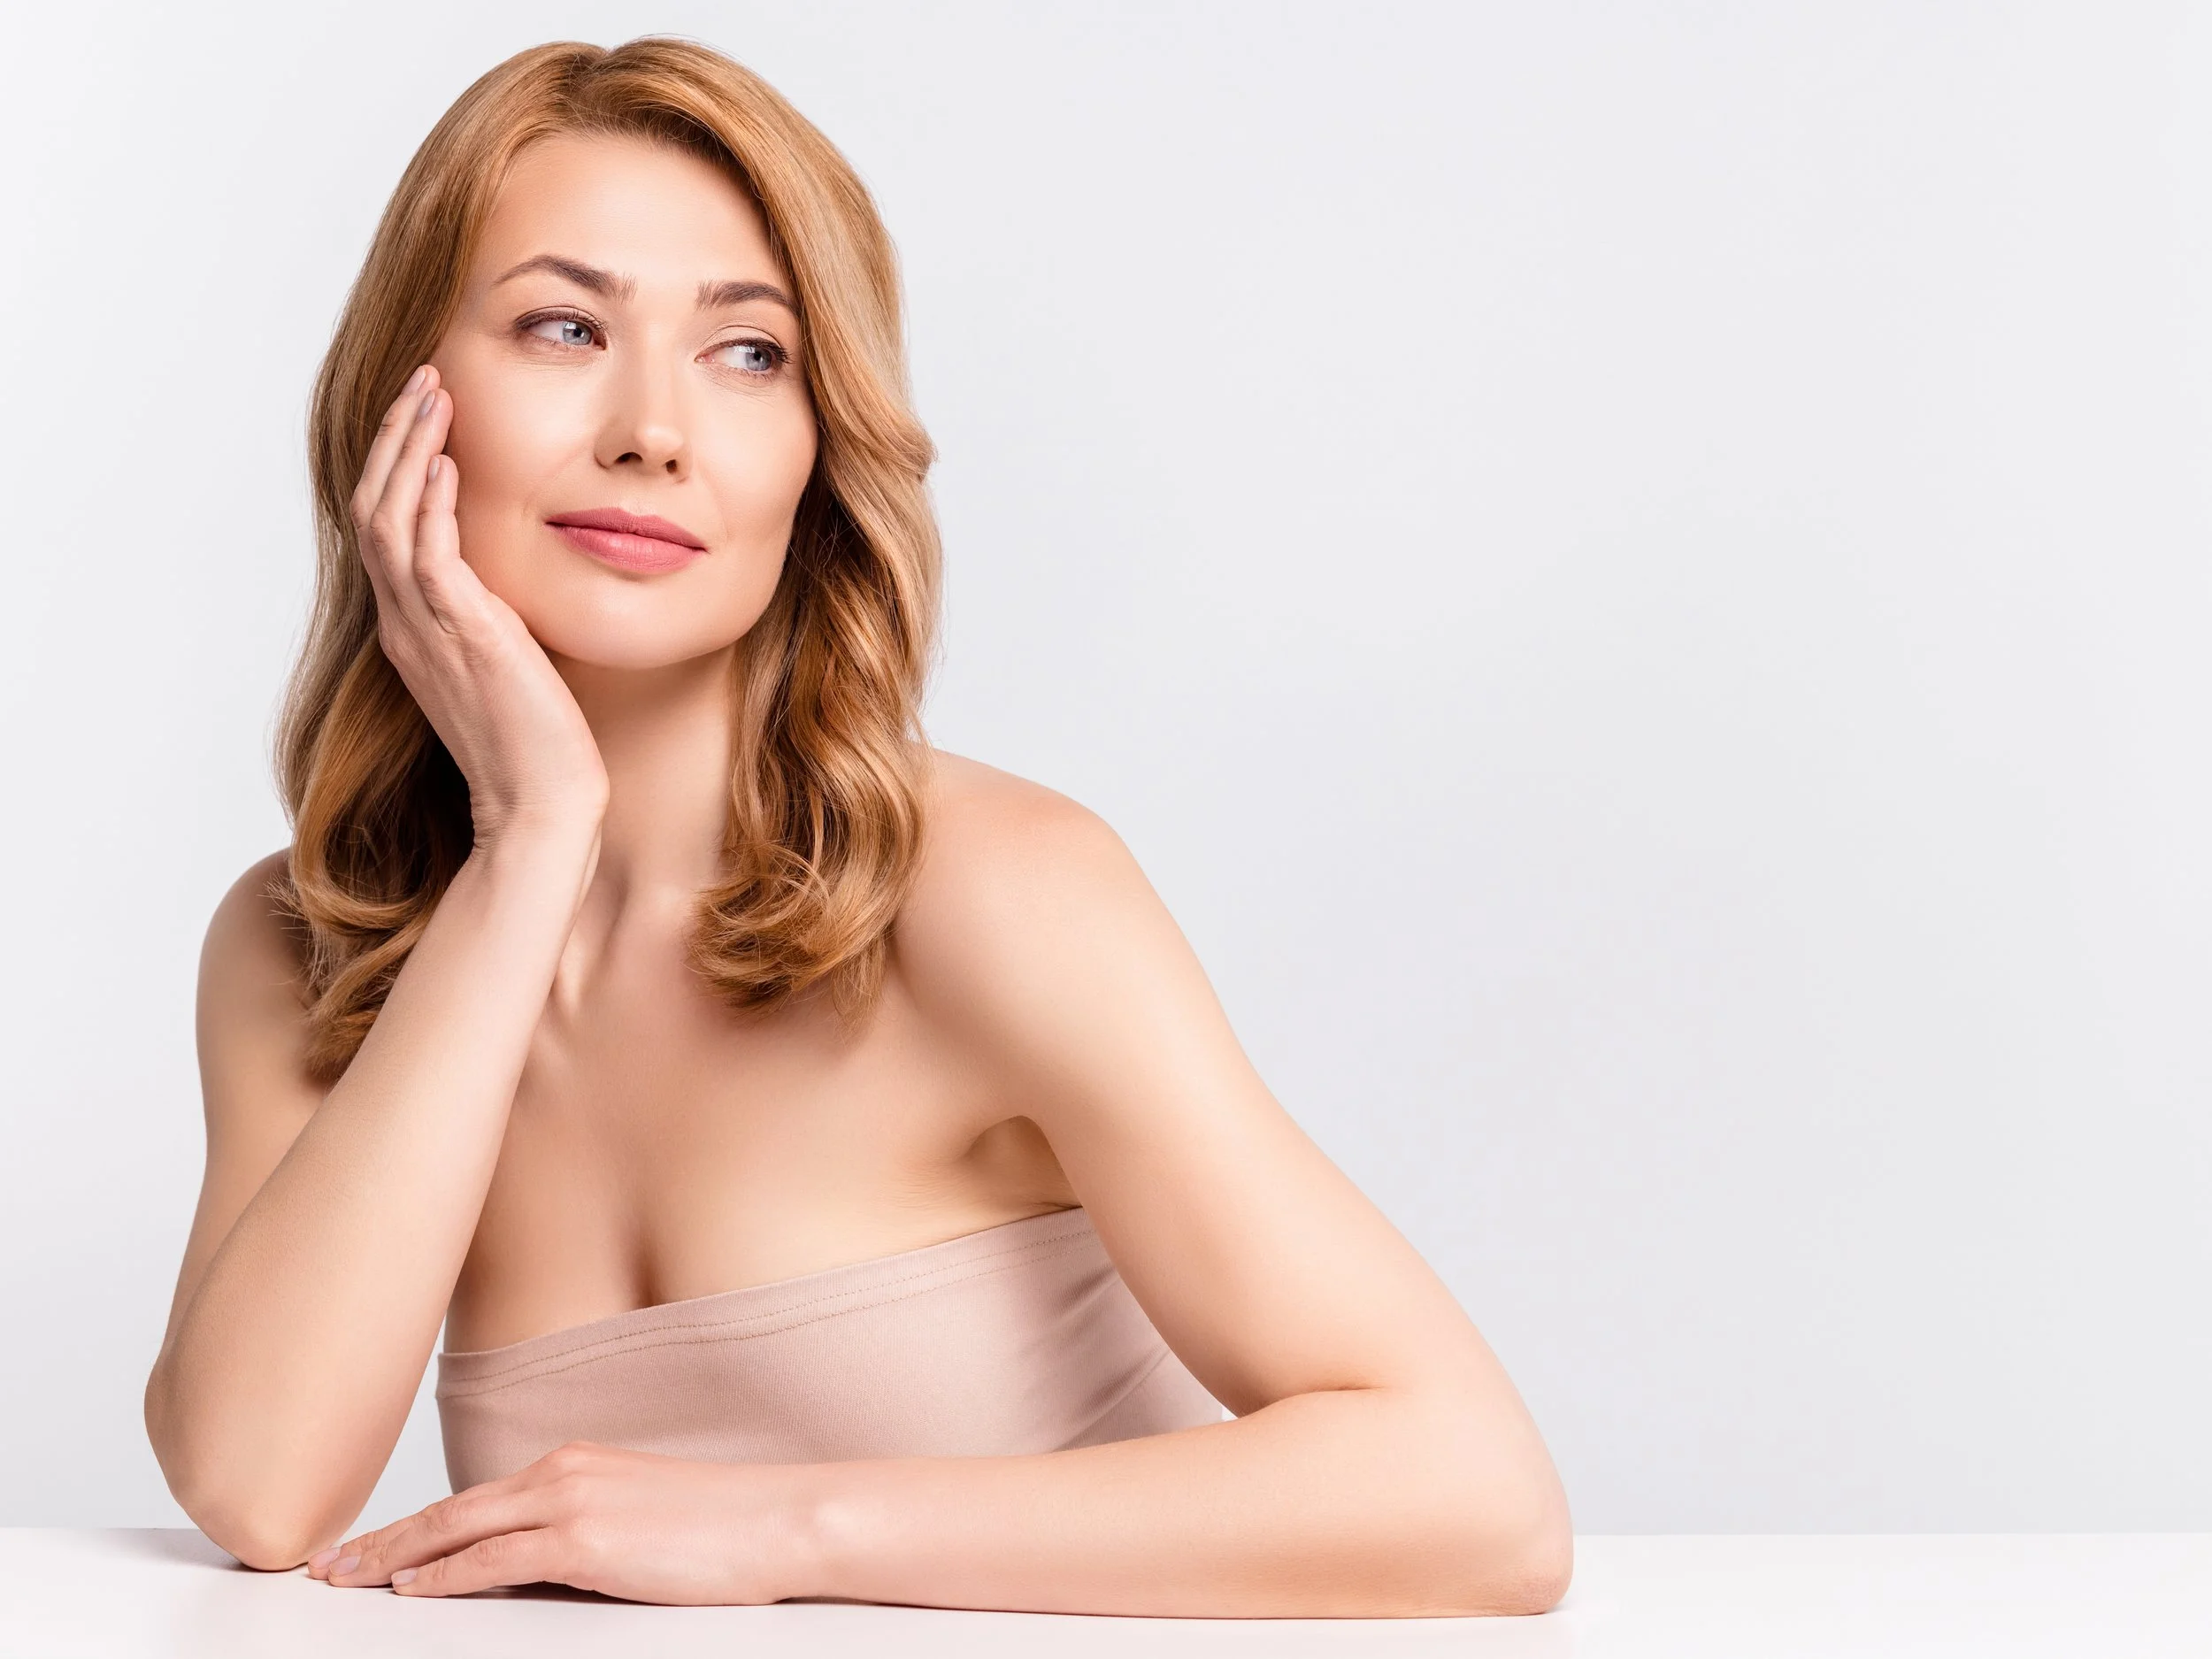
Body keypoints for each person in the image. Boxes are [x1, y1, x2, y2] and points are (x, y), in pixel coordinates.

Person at [140, 35, 1571, 1617]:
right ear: (404, 401)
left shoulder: (993, 893)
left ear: (819, 452)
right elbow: (260, 1487)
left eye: (749, 353)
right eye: (564, 327)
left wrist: (779, 1528)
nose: (654, 429)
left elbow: (1480, 1498)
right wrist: (531, 840)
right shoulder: (303, 943)